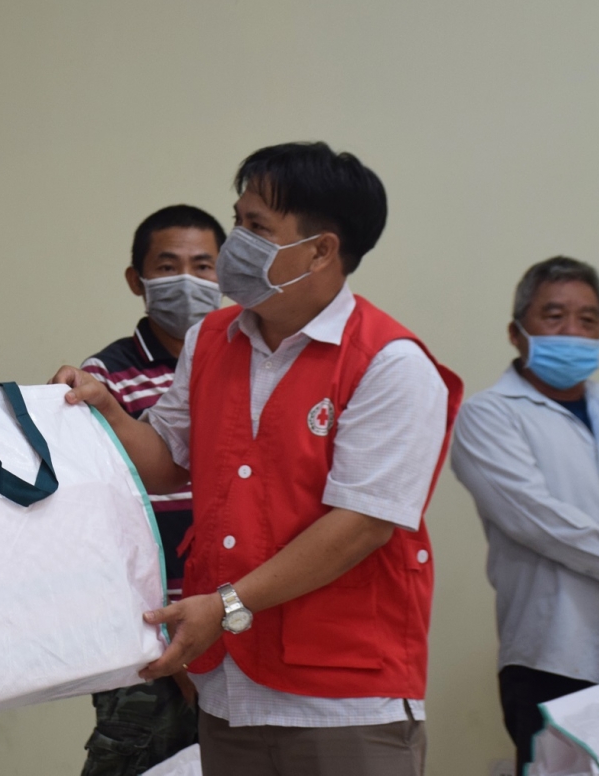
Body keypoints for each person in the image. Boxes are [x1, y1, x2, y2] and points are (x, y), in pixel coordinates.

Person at [53, 142, 462, 776]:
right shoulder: (211, 340)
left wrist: (224, 607)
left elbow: (361, 525)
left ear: (320, 250)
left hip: (342, 701)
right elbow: (166, 461)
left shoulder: (391, 364)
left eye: (256, 228)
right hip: (229, 695)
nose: (236, 243)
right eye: (238, 220)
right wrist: (107, 409)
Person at [451, 256, 599, 775]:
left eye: (588, 319)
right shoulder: (488, 415)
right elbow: (542, 523)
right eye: (554, 316)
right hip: (552, 653)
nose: (572, 331)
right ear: (516, 332)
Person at [79, 204, 224, 775]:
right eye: (168, 267)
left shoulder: (248, 366)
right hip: (145, 639)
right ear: (136, 280)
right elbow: (98, 528)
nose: (187, 281)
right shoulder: (103, 380)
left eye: (203, 266)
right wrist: (168, 638)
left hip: (234, 624)